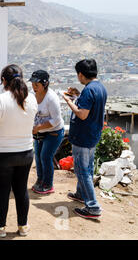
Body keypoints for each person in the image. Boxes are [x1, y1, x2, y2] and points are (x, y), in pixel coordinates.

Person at [0, 64, 38, 238]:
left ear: (4, 81)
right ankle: (23, 226)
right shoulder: (32, 99)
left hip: (3, 154)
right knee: (21, 190)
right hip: (26, 152)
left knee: (2, 191)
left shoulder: (1, 99)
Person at [62, 59, 107, 219]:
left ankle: (93, 207)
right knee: (86, 168)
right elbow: (90, 105)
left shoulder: (89, 90)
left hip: (83, 136)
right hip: (92, 134)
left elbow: (82, 113)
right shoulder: (100, 87)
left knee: (83, 171)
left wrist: (68, 100)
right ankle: (81, 194)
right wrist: (77, 95)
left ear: (81, 74)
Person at [30, 70, 65, 195]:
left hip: (53, 132)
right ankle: (40, 180)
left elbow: (56, 120)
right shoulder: (32, 95)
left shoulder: (51, 98)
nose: (34, 87)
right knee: (38, 157)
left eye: (36, 85)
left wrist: (38, 127)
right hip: (39, 132)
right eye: (33, 84)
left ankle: (48, 184)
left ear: (44, 84)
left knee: (46, 156)